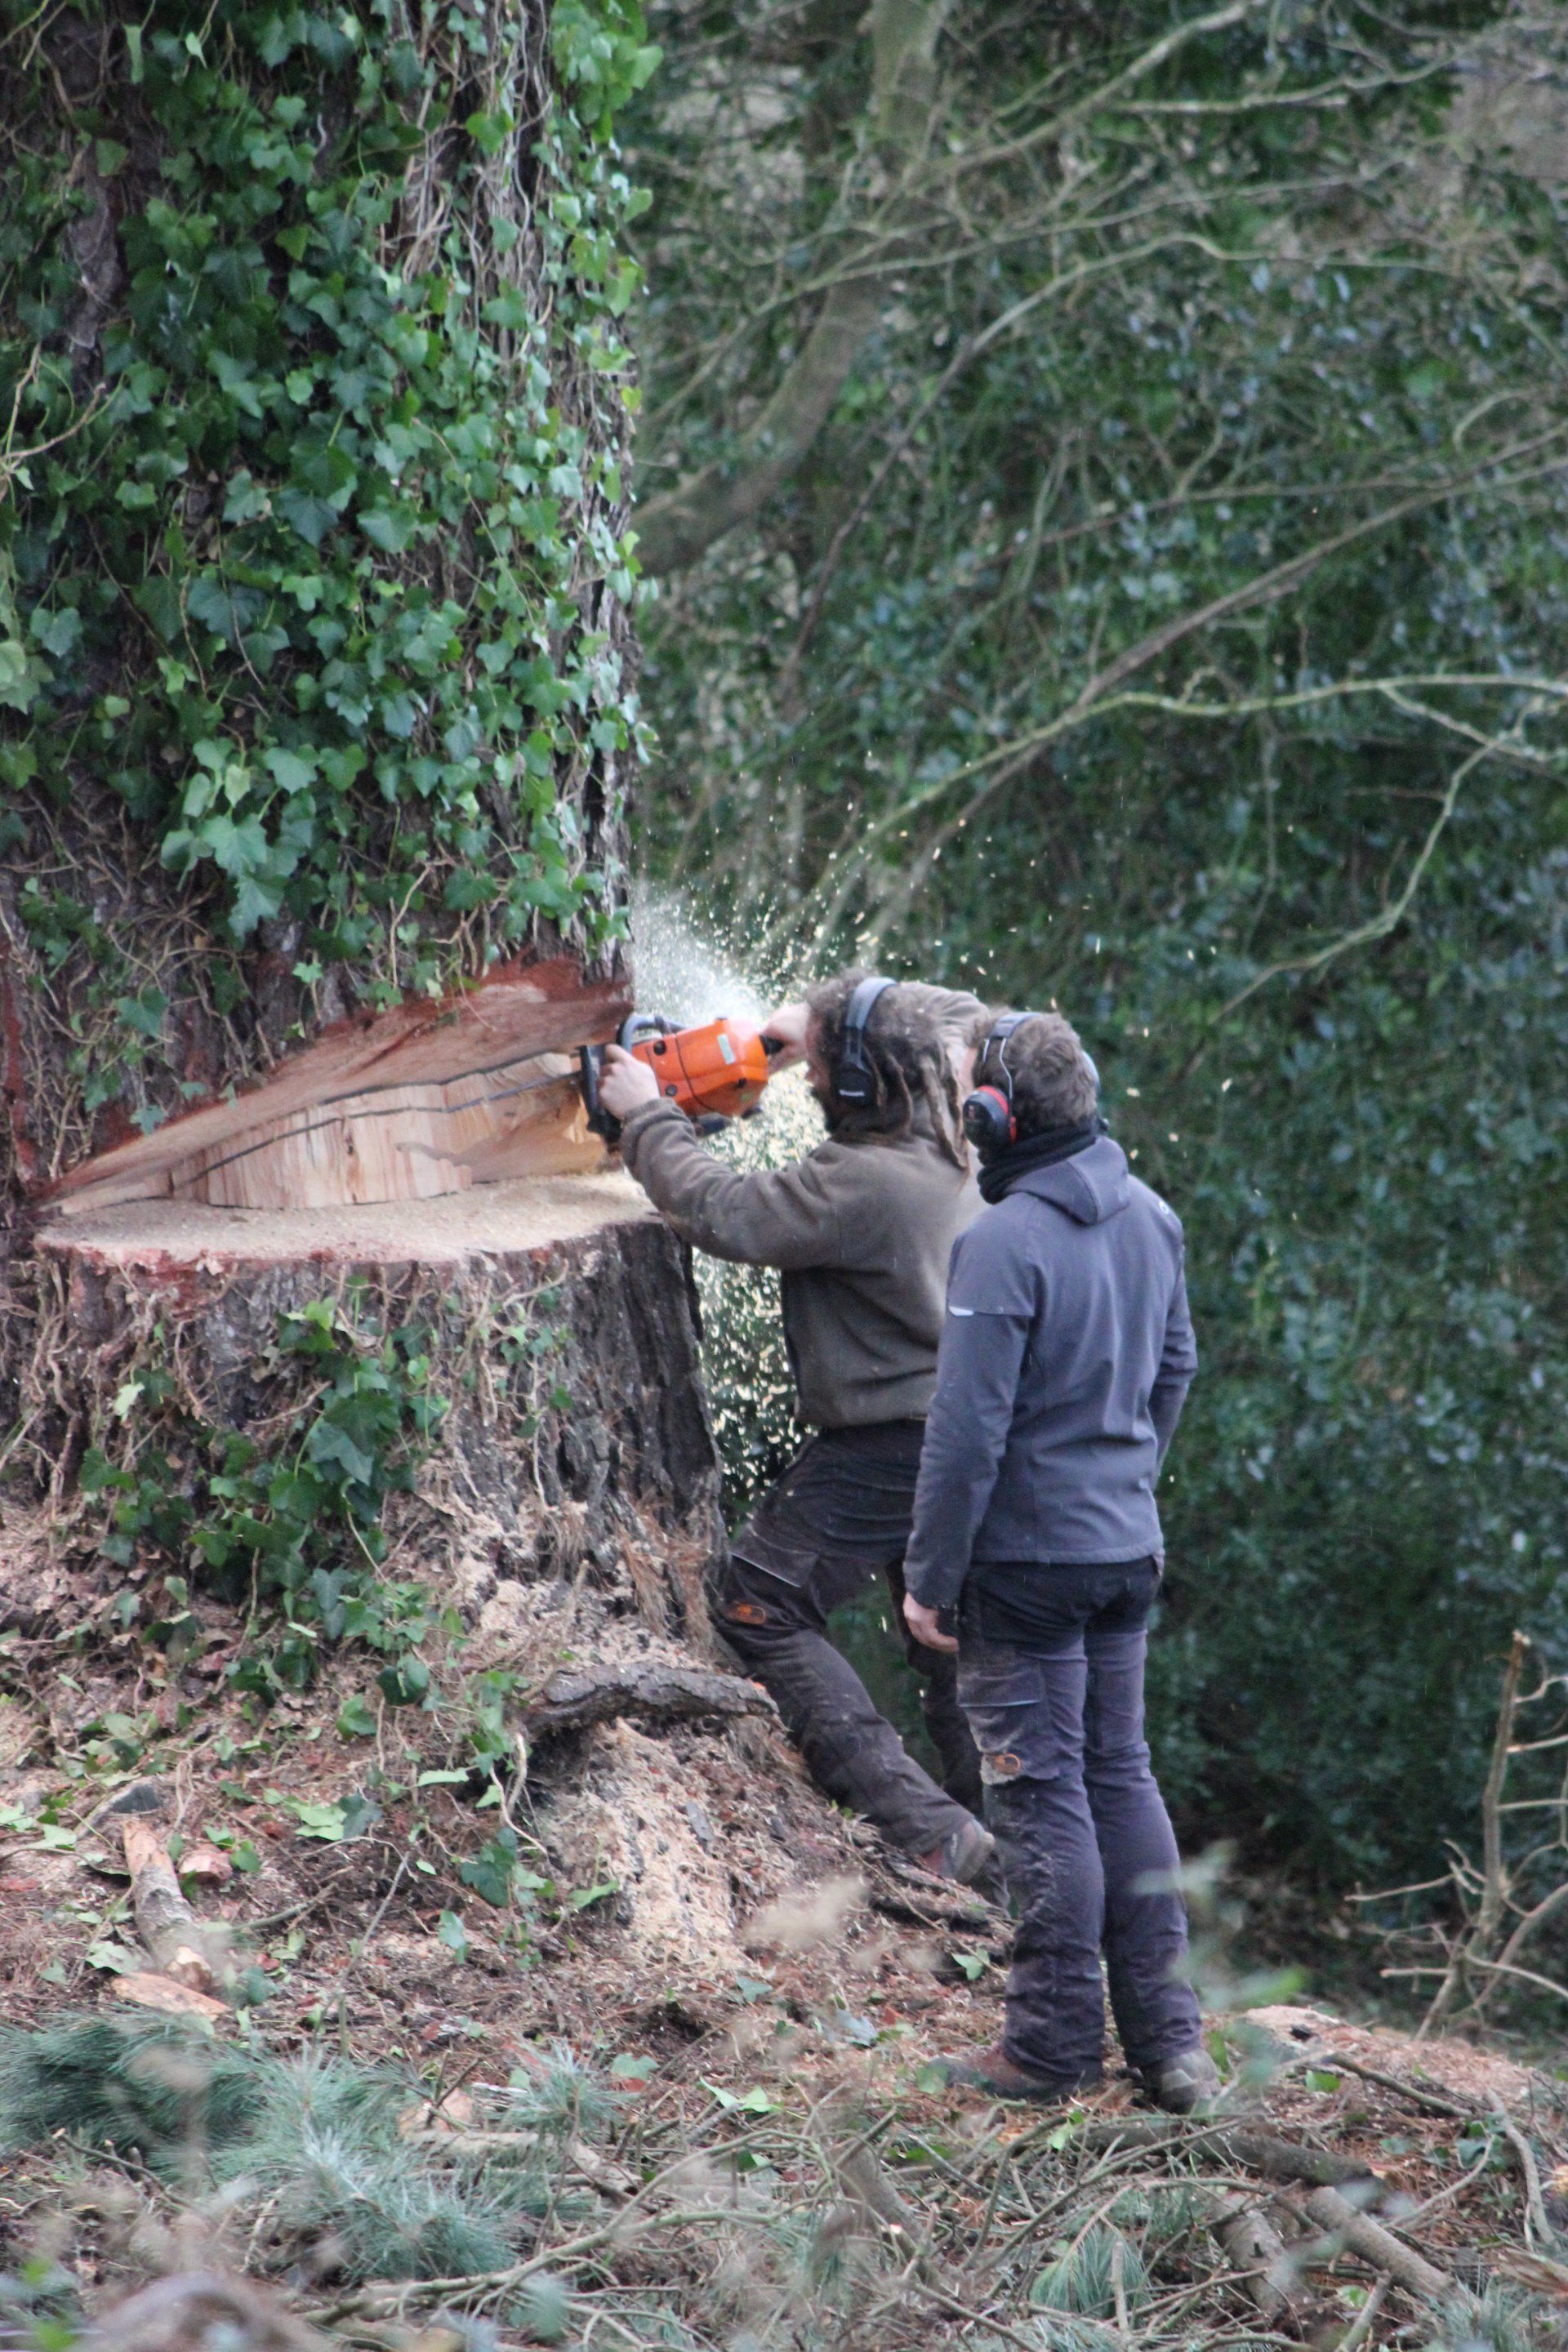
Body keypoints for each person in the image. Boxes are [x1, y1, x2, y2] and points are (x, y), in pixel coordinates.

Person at [595, 972, 996, 1886]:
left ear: (862, 1083)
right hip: (964, 1432)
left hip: (893, 1443)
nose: (808, 1085)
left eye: (819, 1074)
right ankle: (1007, 1859)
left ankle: (924, 1828)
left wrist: (647, 1117)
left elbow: (724, 1212)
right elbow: (950, 1015)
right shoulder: (954, 1132)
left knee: (756, 1600)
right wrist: (799, 1032)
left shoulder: (861, 1181)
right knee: (949, 1645)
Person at [901, 1009, 1219, 2110]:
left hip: (1028, 1572)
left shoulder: (1002, 1244)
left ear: (996, 1117)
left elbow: (967, 1434)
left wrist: (929, 1576)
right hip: (1124, 1550)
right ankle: (1172, 2045)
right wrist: (1121, 1481)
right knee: (1119, 1777)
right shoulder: (1154, 1219)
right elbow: (1174, 1370)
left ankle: (1046, 2049)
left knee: (1040, 1799)